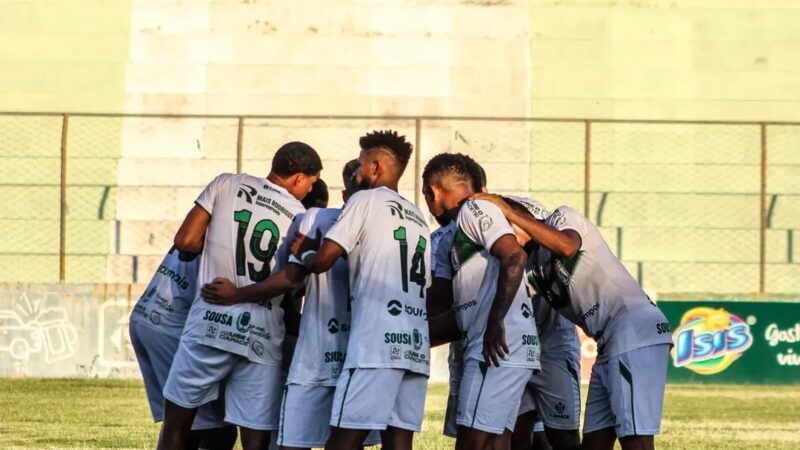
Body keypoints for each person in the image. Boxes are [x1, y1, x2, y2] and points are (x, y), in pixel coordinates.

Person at [200, 160, 380, 450]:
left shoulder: (316, 220)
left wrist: (238, 295)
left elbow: (291, 281)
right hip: (359, 353)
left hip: (315, 353)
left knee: (288, 438)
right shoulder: (397, 225)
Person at [472, 193, 673, 450]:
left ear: (521, 220)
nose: (506, 239)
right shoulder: (533, 266)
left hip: (632, 331)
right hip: (609, 342)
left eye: (508, 229)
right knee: (594, 443)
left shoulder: (562, 218)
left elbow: (567, 246)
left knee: (636, 441)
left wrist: (509, 213)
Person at [157, 142, 322, 450]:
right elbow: (290, 279)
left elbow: (186, 241)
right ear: (299, 178)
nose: (309, 191)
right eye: (311, 183)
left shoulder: (226, 183)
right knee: (255, 439)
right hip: (261, 335)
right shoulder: (301, 216)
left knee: (178, 424)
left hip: (209, 325)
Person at [295, 130, 431, 450]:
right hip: (414, 343)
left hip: (375, 344)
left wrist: (305, 251)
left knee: (344, 438)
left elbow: (323, 261)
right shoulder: (417, 215)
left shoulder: (364, 199)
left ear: (375, 167)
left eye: (359, 165)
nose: (356, 172)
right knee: (399, 441)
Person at [421, 153, 541, 450]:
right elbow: (440, 304)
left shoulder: (474, 209)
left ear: (433, 191)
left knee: (471, 442)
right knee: (496, 442)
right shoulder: (454, 235)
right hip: (500, 345)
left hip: (496, 346)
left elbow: (515, 256)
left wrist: (496, 320)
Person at [129, 246, 237, 450]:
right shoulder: (220, 230)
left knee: (181, 422)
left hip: (147, 314)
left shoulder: (212, 225)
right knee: (215, 430)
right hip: (171, 327)